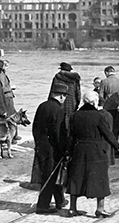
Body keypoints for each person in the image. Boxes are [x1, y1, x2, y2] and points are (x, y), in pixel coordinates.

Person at [66, 91, 119, 218]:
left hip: (78, 150)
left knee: (76, 178)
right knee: (100, 179)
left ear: (84, 101)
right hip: (96, 151)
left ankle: (72, 208)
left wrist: (68, 151)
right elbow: (107, 133)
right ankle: (100, 209)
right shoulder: (99, 116)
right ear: (94, 102)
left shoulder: (74, 116)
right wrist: (116, 145)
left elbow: (71, 136)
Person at [34, 83, 70, 214]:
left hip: (41, 146)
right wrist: (64, 149)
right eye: (65, 96)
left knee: (51, 174)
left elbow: (35, 127)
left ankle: (60, 201)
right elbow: (59, 134)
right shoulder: (58, 110)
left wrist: (37, 142)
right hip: (52, 149)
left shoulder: (42, 106)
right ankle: (42, 206)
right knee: (50, 176)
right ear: (61, 96)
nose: (65, 99)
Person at [96, 66, 119, 157]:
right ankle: (116, 149)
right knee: (117, 128)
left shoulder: (104, 82)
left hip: (108, 107)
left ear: (106, 72)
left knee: (108, 128)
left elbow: (100, 96)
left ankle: (109, 149)